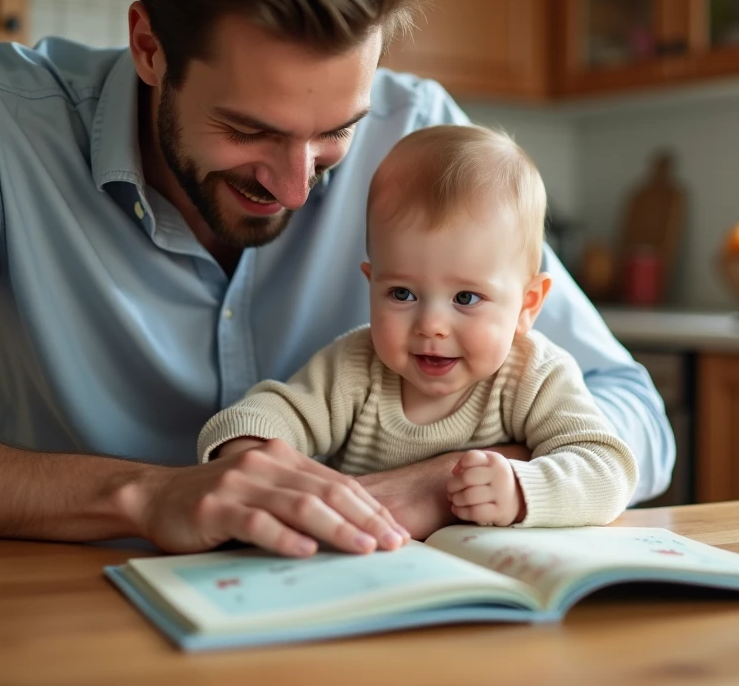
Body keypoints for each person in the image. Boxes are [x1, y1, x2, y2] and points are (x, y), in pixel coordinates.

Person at [0, 0, 674, 555]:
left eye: (338, 130)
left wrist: (443, 484)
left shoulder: (422, 140)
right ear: (149, 47)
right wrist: (149, 494)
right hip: (62, 595)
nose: (298, 186)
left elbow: (629, 409)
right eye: (249, 130)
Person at [198, 126, 639, 532]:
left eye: (466, 298)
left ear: (527, 306)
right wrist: (245, 451)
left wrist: (522, 490)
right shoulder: (355, 368)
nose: (431, 326)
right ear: (372, 284)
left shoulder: (534, 376)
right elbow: (263, 414)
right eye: (402, 294)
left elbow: (608, 468)